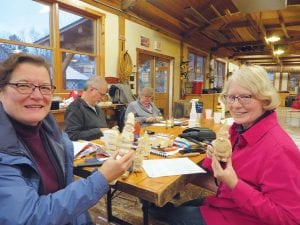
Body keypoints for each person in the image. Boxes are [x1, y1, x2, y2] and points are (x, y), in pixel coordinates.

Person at [150, 65, 300, 225]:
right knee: (179, 209)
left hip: (243, 217)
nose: (235, 105)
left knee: (177, 216)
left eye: (246, 97)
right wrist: (212, 158)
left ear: (265, 100)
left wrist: (234, 183)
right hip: (226, 202)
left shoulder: (280, 149)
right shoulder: (237, 130)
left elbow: (289, 219)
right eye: (231, 97)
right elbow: (222, 173)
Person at [0, 53, 135, 225]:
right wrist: (101, 178)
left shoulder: (51, 132)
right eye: (24, 85)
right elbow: (28, 217)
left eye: (45, 87)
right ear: (1, 91)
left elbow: (65, 190)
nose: (37, 95)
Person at [64, 76, 108, 141]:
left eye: (104, 95)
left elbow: (104, 130)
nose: (102, 98)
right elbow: (72, 136)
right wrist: (99, 131)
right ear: (91, 89)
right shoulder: (75, 108)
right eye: (101, 94)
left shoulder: (98, 109)